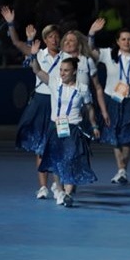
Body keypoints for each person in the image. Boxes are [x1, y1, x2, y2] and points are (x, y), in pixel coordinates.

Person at [1, 7, 63, 199]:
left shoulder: (66, 57)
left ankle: (58, 186)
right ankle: (43, 187)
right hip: (40, 102)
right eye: (50, 37)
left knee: (58, 145)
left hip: (59, 103)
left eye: (56, 36)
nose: (54, 39)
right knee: (40, 146)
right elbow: (16, 42)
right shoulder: (38, 53)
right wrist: (11, 23)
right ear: (44, 40)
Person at [30, 56, 101, 208]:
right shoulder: (54, 83)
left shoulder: (82, 88)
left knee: (71, 159)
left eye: (66, 70)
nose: (62, 73)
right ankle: (60, 190)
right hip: (55, 127)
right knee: (57, 160)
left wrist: (94, 125)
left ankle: (68, 193)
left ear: (74, 71)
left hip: (73, 128)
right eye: (61, 70)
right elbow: (37, 70)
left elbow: (89, 108)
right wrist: (33, 55)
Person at [88, 19, 130, 185]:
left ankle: (122, 170)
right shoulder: (108, 54)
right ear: (117, 41)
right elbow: (90, 50)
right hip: (112, 99)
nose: (127, 42)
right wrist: (92, 33)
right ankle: (121, 169)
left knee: (126, 137)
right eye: (123, 39)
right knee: (114, 135)